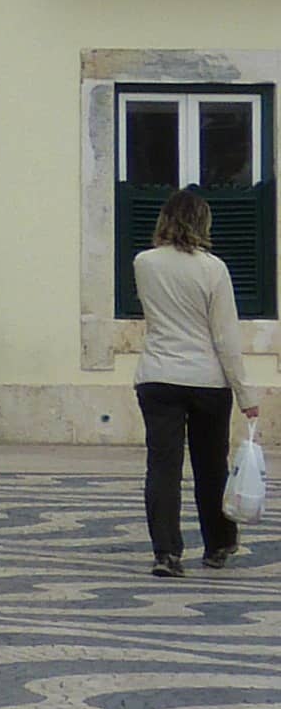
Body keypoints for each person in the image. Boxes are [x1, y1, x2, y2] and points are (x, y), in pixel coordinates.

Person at [133, 185, 260, 577]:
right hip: (207, 379)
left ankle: (166, 552)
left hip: (157, 375)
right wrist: (245, 393)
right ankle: (219, 544)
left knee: (163, 466)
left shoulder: (144, 262)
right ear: (203, 222)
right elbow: (225, 335)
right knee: (211, 466)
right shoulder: (213, 269)